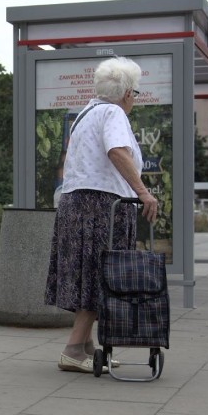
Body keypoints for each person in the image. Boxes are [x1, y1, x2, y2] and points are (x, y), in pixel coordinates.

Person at [44, 56, 158, 373]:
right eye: (134, 93)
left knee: (87, 274)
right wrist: (143, 191)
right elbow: (117, 152)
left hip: (77, 202)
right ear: (126, 93)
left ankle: (86, 348)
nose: (134, 99)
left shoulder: (87, 112)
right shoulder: (113, 113)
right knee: (100, 275)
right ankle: (72, 349)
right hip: (100, 205)